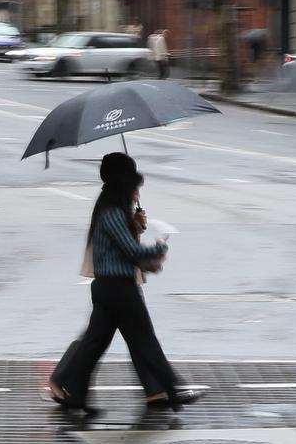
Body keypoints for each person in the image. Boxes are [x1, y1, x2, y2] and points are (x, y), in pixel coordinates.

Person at [49, 153, 198, 423]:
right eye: (134, 185)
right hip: (118, 289)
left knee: (94, 344)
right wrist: (160, 245)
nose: (137, 191)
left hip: (108, 288)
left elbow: (123, 245)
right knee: (145, 340)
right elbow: (130, 251)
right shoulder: (112, 213)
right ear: (124, 184)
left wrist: (136, 225)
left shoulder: (114, 210)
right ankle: (173, 390)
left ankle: (76, 397)